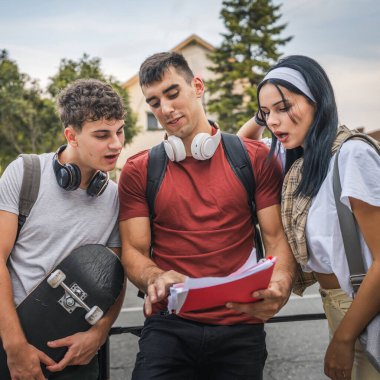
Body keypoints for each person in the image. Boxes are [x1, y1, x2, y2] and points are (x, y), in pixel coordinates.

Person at [118, 51, 296, 379]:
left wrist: (281, 284)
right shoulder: (138, 169)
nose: (166, 109)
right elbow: (133, 252)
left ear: (197, 86)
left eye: (173, 93)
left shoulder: (255, 158)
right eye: (154, 102)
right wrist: (155, 277)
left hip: (241, 327)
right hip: (168, 327)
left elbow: (276, 240)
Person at [239, 55, 380, 380]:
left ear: (318, 100)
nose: (274, 121)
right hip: (336, 303)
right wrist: (267, 109)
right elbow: (242, 145)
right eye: (267, 112)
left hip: (365, 307)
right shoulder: (297, 156)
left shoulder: (350, 155)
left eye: (285, 107)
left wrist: (344, 338)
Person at [0, 78, 126, 380]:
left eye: (120, 131)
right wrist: (15, 347)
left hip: (76, 356)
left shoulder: (115, 197)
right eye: (102, 135)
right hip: (14, 345)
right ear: (71, 135)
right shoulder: (26, 172)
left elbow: (113, 278)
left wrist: (98, 334)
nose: (116, 144)